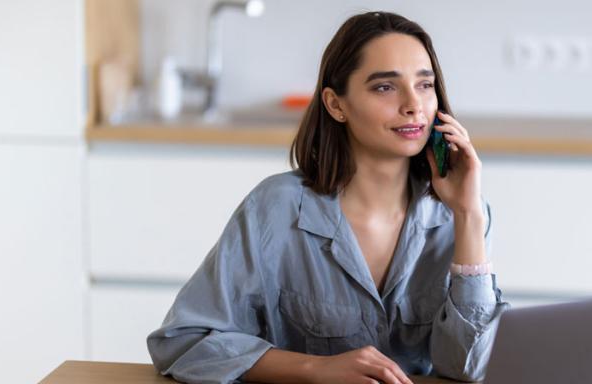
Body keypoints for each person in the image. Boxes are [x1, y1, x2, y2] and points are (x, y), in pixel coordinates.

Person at [147, 11, 508, 384]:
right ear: (336, 105)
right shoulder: (275, 210)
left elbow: (471, 367)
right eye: (385, 87)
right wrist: (315, 369)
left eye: (425, 85)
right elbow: (184, 342)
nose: (413, 105)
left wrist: (468, 215)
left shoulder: (461, 215)